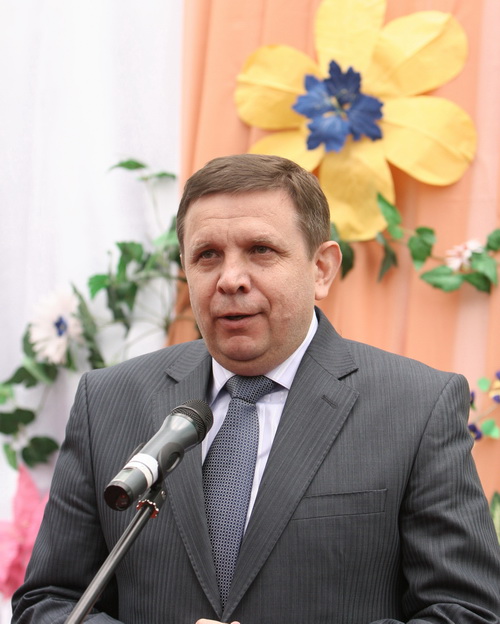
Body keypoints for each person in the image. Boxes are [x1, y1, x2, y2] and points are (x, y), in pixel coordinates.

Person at [12, 154, 500, 624]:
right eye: (207, 255)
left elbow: (468, 612)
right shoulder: (108, 401)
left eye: (261, 250)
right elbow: (48, 603)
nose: (230, 280)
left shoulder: (416, 406)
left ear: (322, 268)